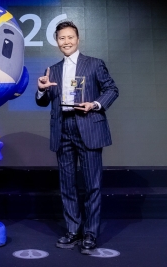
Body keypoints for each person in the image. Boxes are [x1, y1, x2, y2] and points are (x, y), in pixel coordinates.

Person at [35, 20, 119, 255]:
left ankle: (90, 233)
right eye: (62, 38)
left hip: (88, 125)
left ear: (78, 39)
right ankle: (73, 230)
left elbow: (112, 89)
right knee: (67, 184)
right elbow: (42, 102)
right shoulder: (52, 70)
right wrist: (41, 89)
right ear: (57, 42)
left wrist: (94, 104)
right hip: (63, 128)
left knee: (92, 184)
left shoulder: (94, 64)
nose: (66, 42)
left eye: (70, 37)